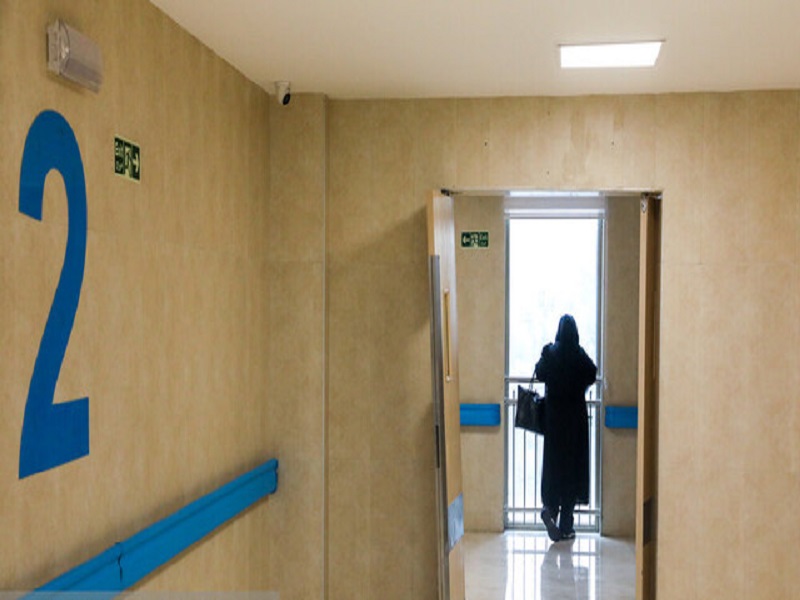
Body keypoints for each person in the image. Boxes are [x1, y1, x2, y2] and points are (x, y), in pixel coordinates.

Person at [534, 314, 597, 542]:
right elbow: (592, 372)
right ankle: (567, 526)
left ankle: (550, 510)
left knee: (553, 468)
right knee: (571, 472)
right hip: (575, 424)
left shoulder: (550, 353)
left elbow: (539, 372)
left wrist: (546, 352)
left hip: (553, 423)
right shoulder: (579, 355)